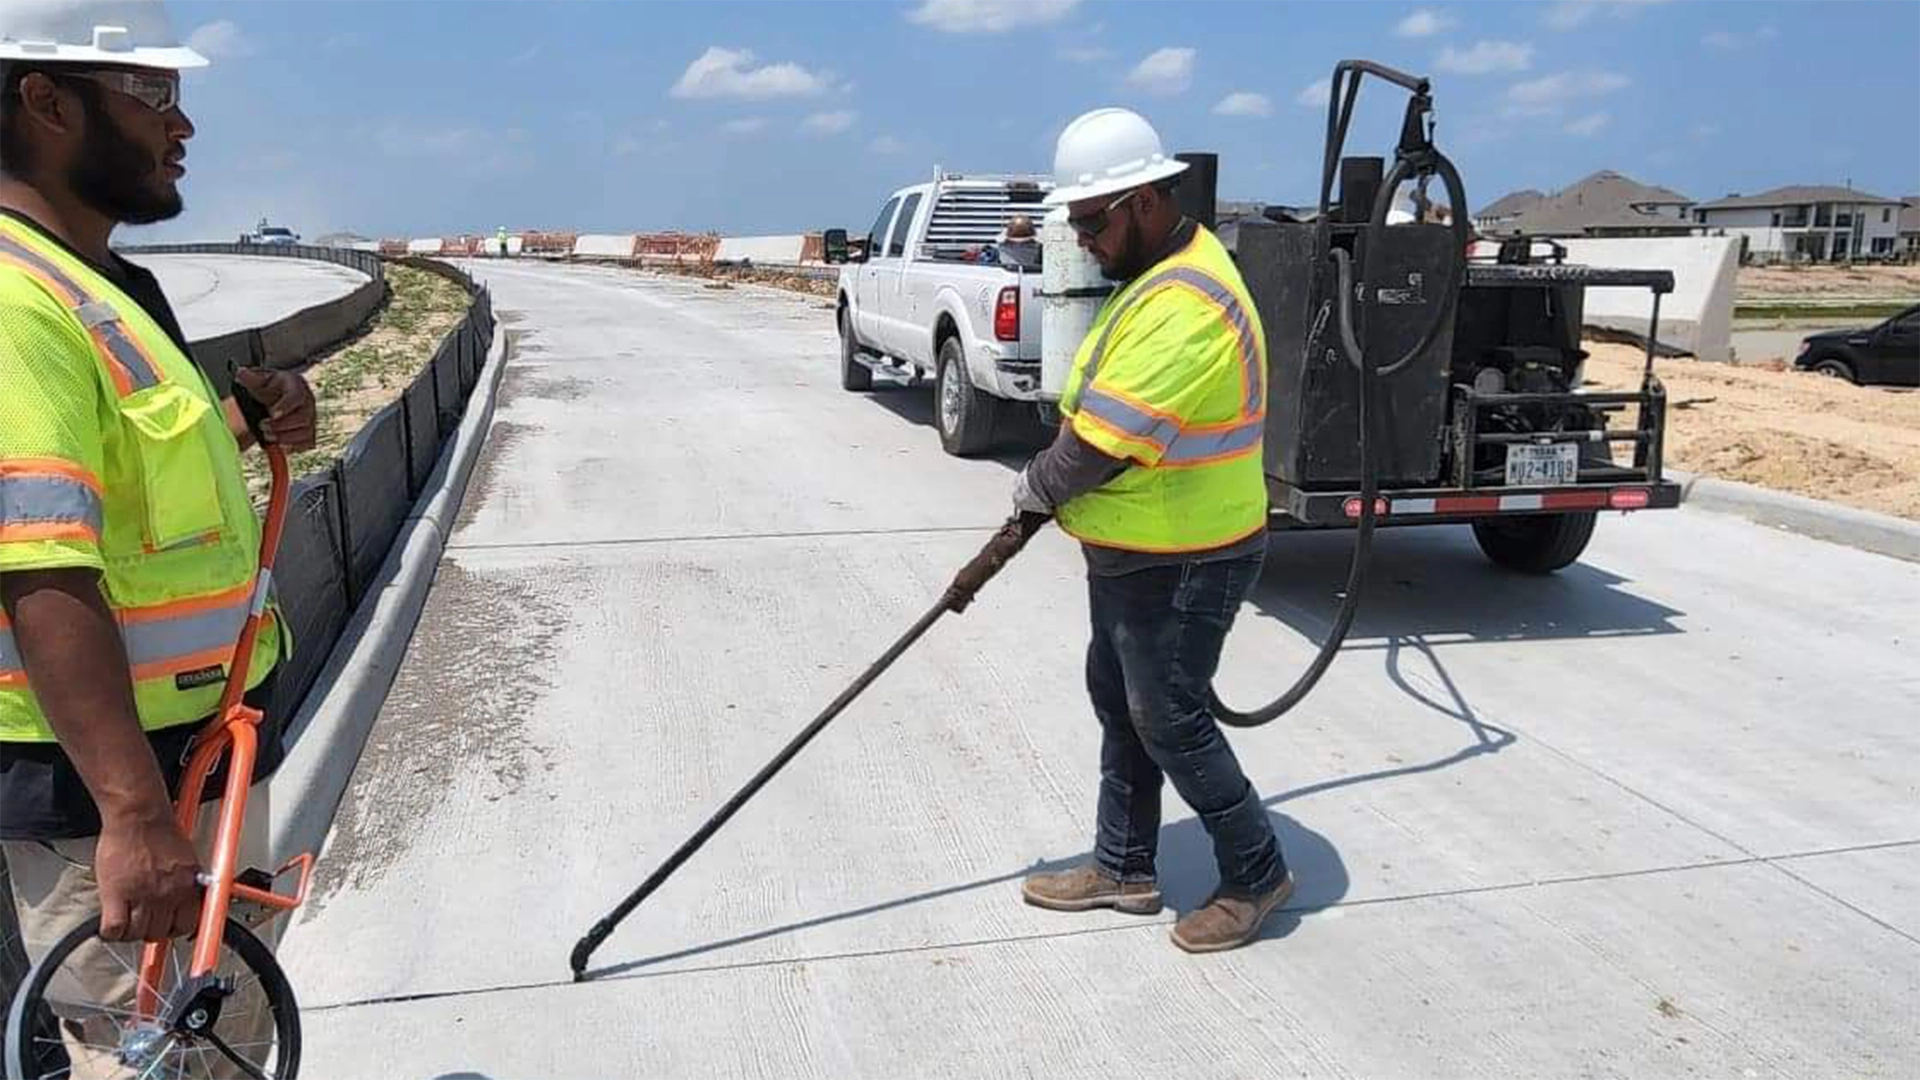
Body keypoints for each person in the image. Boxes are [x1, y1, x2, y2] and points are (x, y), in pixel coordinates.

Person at [0, 0, 315, 1072]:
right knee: (145, 1059)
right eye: (154, 95)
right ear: (46, 101)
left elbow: (123, 499)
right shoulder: (15, 300)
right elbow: (37, 562)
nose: (183, 126)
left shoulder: (100, 285)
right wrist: (131, 814)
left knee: (219, 1045)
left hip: (190, 760)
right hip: (104, 793)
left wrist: (242, 425)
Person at [1011, 107, 1292, 954]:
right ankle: (1126, 866)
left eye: (1091, 221)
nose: (1082, 238)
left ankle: (1257, 870)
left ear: (1142, 203)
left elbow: (1098, 443)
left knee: (1167, 715)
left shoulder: (1190, 304)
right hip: (1138, 547)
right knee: (1122, 704)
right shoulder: (1155, 276)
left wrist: (1028, 499)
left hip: (1189, 555)